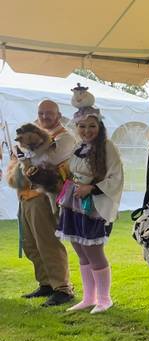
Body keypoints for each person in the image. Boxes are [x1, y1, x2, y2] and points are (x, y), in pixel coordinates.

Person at [57, 105, 124, 314]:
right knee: (80, 250)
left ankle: (104, 299)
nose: (87, 130)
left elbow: (116, 177)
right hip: (73, 203)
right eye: (82, 126)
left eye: (92, 126)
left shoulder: (107, 147)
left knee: (93, 251)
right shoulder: (79, 146)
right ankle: (89, 297)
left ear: (99, 125)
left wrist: (91, 188)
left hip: (93, 205)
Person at [16, 100, 75, 307]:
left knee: (48, 243)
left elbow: (46, 160)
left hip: (44, 197)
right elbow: (22, 158)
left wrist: (26, 155)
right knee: (31, 244)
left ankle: (63, 288)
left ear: (58, 115)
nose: (44, 117)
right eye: (41, 113)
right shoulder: (35, 136)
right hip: (26, 194)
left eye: (49, 113)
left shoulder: (65, 137)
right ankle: (46, 283)